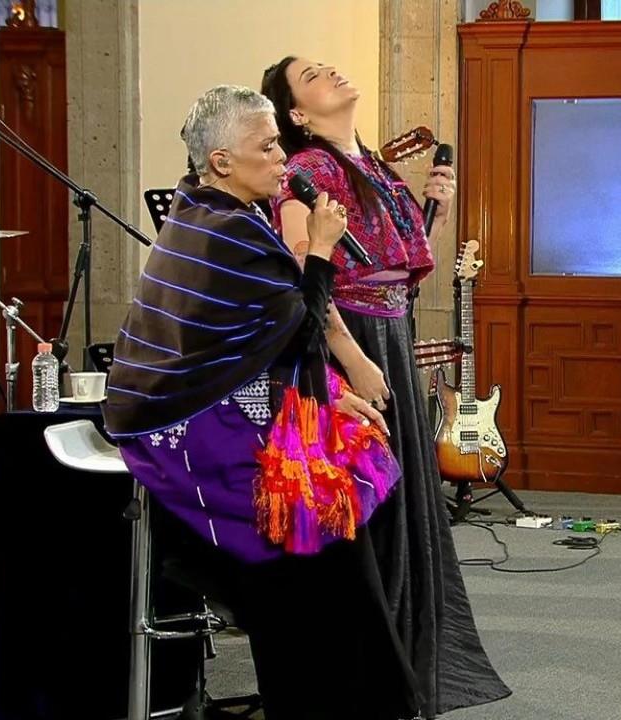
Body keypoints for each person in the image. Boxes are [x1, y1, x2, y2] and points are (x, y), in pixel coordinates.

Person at [104, 84, 416, 718]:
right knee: (314, 517)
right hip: (180, 423)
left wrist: (327, 396)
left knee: (353, 464)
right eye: (268, 145)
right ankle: (324, 689)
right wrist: (323, 249)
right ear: (221, 161)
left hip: (223, 399)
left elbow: (270, 341)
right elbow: (301, 324)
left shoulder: (222, 214)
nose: (283, 158)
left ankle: (358, 686)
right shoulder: (219, 228)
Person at [263, 57, 510, 717]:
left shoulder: (369, 165)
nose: (334, 72)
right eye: (313, 75)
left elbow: (393, 267)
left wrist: (432, 207)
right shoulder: (308, 170)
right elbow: (303, 267)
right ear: (297, 115)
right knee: (370, 505)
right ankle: (368, 669)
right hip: (357, 344)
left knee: (401, 501)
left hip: (390, 337)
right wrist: (349, 356)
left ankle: (400, 655)